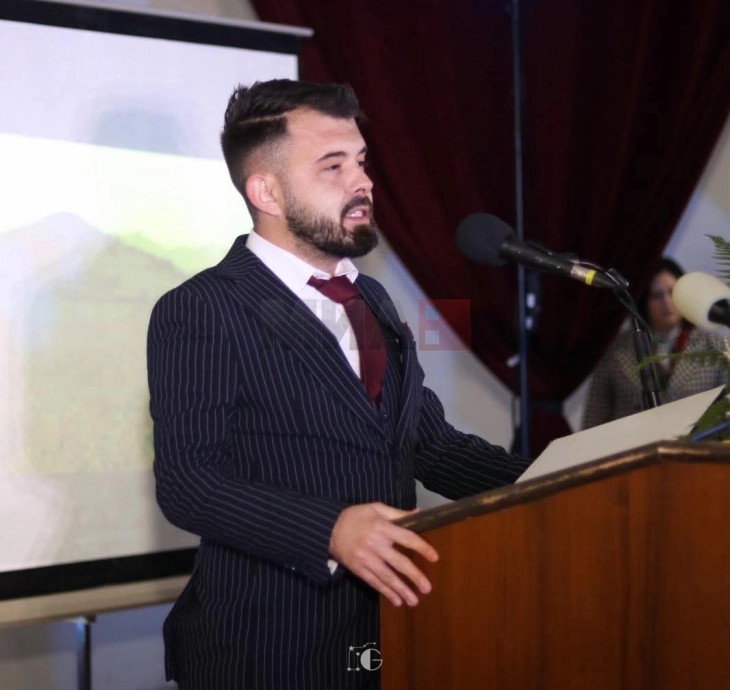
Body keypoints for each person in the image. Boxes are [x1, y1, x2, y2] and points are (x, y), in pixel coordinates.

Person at [147, 79, 530, 689]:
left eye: (361, 161)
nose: (363, 181)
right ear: (266, 191)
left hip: (384, 638)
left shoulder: (369, 298)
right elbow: (189, 483)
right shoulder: (204, 306)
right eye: (333, 165)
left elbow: (430, 446)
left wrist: (560, 477)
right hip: (266, 651)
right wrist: (330, 529)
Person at [582, 257, 727, 428]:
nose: (666, 302)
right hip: (633, 440)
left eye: (672, 292)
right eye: (657, 295)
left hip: (696, 441)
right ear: (644, 300)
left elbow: (725, 412)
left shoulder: (714, 345)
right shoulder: (616, 349)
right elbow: (595, 417)